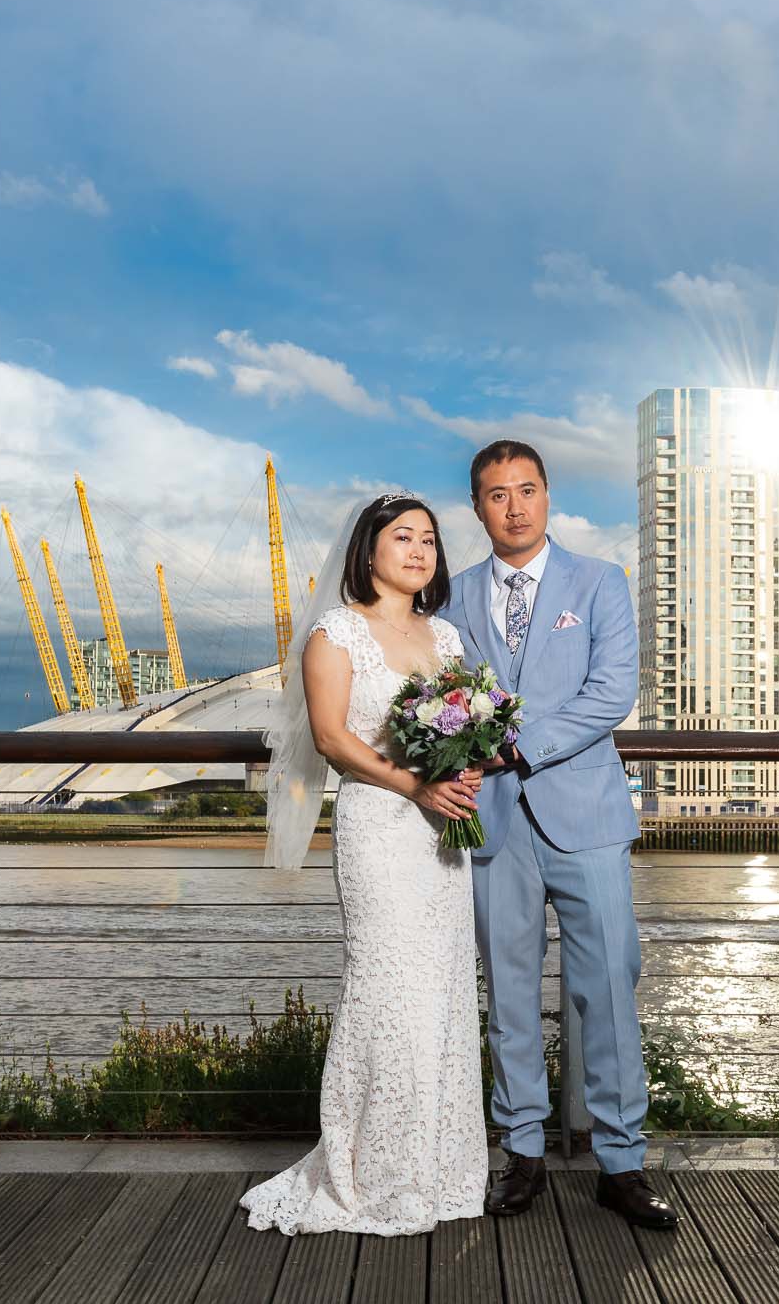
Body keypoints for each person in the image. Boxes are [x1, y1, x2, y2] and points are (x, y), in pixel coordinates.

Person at [440, 439, 678, 1231]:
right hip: (495, 822)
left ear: (549, 497)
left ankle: (621, 1159)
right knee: (508, 989)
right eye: (497, 493)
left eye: (527, 490)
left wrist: (518, 745)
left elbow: (613, 691)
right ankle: (522, 1151)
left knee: (608, 981)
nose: (514, 506)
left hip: (587, 818)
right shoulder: (453, 599)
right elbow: (437, 698)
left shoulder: (600, 581)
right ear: (477, 506)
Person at [240, 493, 489, 1236]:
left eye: (430, 540)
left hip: (442, 833)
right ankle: (367, 1171)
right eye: (402, 537)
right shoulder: (335, 631)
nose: (418, 551)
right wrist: (416, 782)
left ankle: (438, 1169)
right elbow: (330, 737)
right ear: (368, 549)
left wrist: (464, 770)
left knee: (442, 987)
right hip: (381, 826)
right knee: (387, 985)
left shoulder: (444, 636)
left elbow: (461, 723)